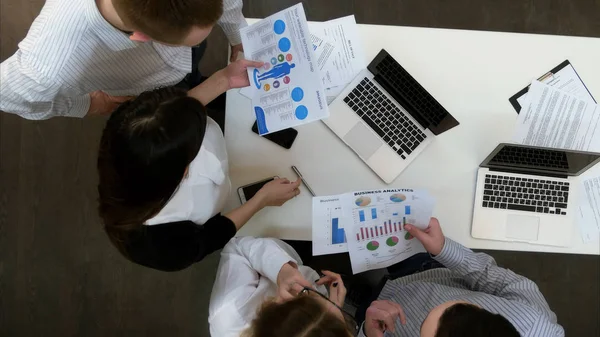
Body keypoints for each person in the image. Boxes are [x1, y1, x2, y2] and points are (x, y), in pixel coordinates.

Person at [97, 58, 302, 272]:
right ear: (185, 171)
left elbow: (169, 115)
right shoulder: (158, 245)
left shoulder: (128, 134)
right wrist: (260, 200)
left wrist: (225, 79)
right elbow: (209, 238)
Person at [209, 218, 564, 337]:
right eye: (464, 302)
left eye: (422, 328)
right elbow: (489, 276)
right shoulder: (536, 322)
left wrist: (361, 328)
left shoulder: (230, 315)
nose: (427, 311)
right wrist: (444, 250)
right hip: (419, 269)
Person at [1, 0, 247, 120]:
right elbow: (9, 96)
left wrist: (237, 36)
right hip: (147, 87)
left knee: (192, 77)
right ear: (142, 37)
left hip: (170, 65)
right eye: (191, 42)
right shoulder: (47, 64)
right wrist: (86, 104)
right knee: (173, 100)